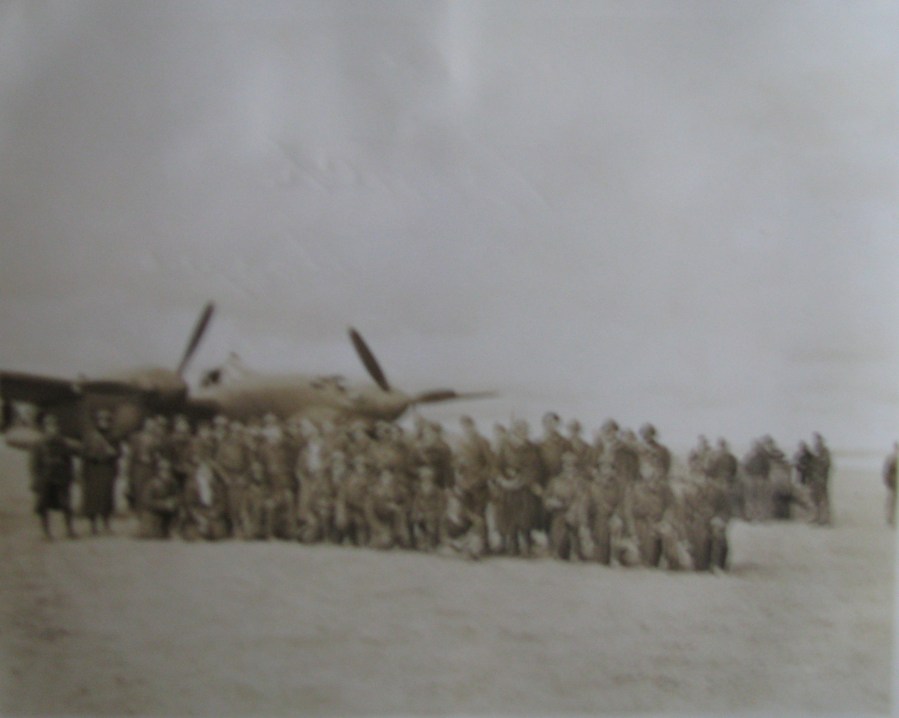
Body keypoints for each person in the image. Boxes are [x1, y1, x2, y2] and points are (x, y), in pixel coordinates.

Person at [30, 414, 78, 539]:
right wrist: (35, 481)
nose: (53, 429)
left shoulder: (63, 444)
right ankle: (46, 533)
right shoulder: (39, 444)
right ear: (45, 428)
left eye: (55, 426)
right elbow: (34, 464)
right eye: (50, 426)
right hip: (45, 478)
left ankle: (70, 530)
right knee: (43, 506)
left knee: (66, 505)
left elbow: (69, 462)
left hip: (61, 478)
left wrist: (70, 476)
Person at [80, 409, 120, 534]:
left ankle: (106, 524)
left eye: (107, 420)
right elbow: (84, 453)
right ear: (97, 422)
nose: (104, 423)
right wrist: (95, 456)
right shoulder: (90, 437)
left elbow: (118, 453)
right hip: (93, 470)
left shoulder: (113, 437)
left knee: (107, 498)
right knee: (93, 499)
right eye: (102, 420)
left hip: (107, 469)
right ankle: (93, 526)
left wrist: (112, 456)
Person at [883, 442, 898, 527]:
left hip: (892, 482)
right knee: (892, 501)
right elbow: (887, 470)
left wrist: (887, 480)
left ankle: (890, 519)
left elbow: (886, 471)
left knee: (891, 502)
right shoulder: (892, 457)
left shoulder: (891, 457)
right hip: (893, 482)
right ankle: (890, 519)